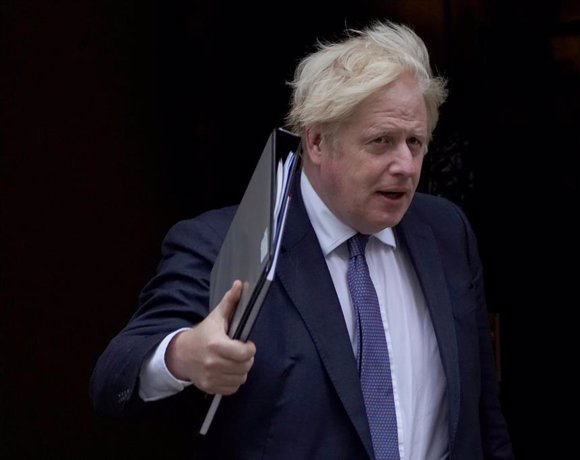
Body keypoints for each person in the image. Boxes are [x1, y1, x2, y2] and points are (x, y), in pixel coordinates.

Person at [90, 20, 514, 459]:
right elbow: (113, 376)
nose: (405, 165)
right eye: (381, 142)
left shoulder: (446, 231)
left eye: (415, 142)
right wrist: (183, 355)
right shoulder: (226, 240)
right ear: (316, 141)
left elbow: (484, 415)